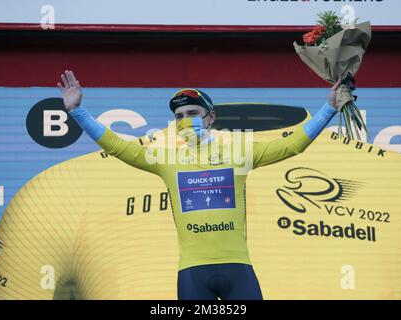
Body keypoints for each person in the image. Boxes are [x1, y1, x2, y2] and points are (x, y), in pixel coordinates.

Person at [58, 70, 341, 300]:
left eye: (192, 113)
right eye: (179, 116)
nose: (185, 120)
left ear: (211, 118)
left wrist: (329, 108)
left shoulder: (239, 153)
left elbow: (292, 146)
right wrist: (77, 112)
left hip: (238, 268)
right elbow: (120, 147)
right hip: (193, 273)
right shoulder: (165, 158)